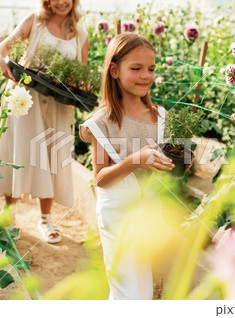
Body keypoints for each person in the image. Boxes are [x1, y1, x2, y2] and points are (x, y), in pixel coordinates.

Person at [79, 33, 175, 299]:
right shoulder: (104, 121)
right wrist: (134, 160)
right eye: (136, 68)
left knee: (142, 289)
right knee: (128, 290)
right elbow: (100, 178)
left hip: (149, 212)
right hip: (117, 214)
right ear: (114, 70)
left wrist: (178, 164)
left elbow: (163, 164)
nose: (146, 75)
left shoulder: (160, 116)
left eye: (151, 69)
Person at [0, 0, 89, 243]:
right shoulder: (34, 21)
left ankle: (45, 219)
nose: (62, 2)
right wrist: (2, 62)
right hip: (26, 100)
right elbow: (1, 49)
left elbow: (83, 74)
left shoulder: (80, 34)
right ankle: (9, 218)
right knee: (20, 154)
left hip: (58, 105)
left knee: (51, 156)